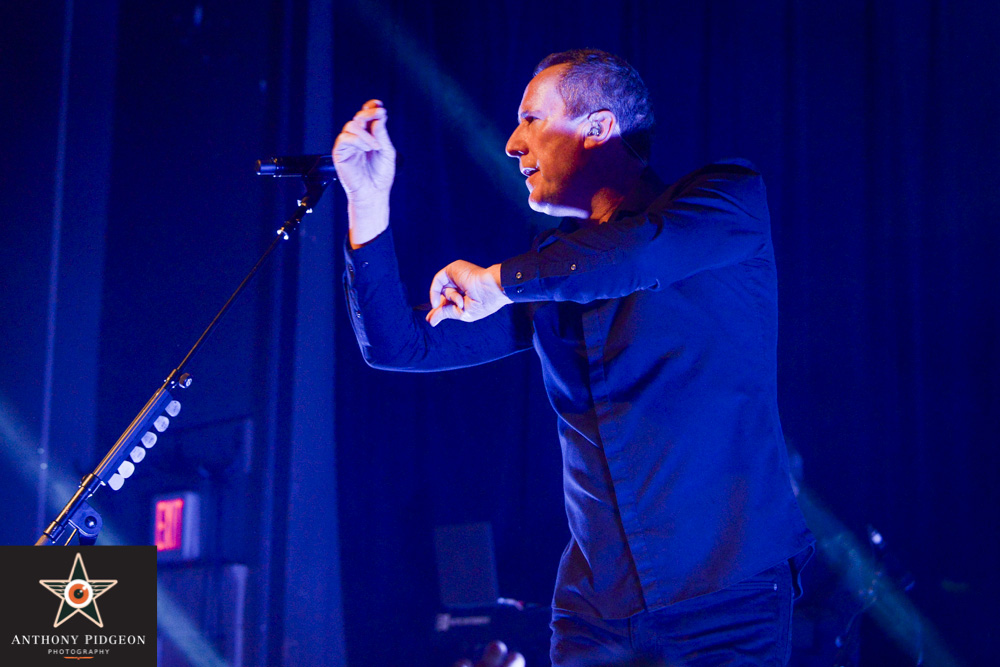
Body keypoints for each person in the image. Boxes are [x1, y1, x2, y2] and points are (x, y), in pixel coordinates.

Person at [333, 49, 813, 666]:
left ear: (598, 129)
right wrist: (366, 204)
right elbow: (401, 347)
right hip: (595, 613)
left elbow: (636, 255)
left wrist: (502, 281)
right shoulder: (550, 272)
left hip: (723, 597)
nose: (512, 143)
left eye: (531, 119)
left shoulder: (726, 203)